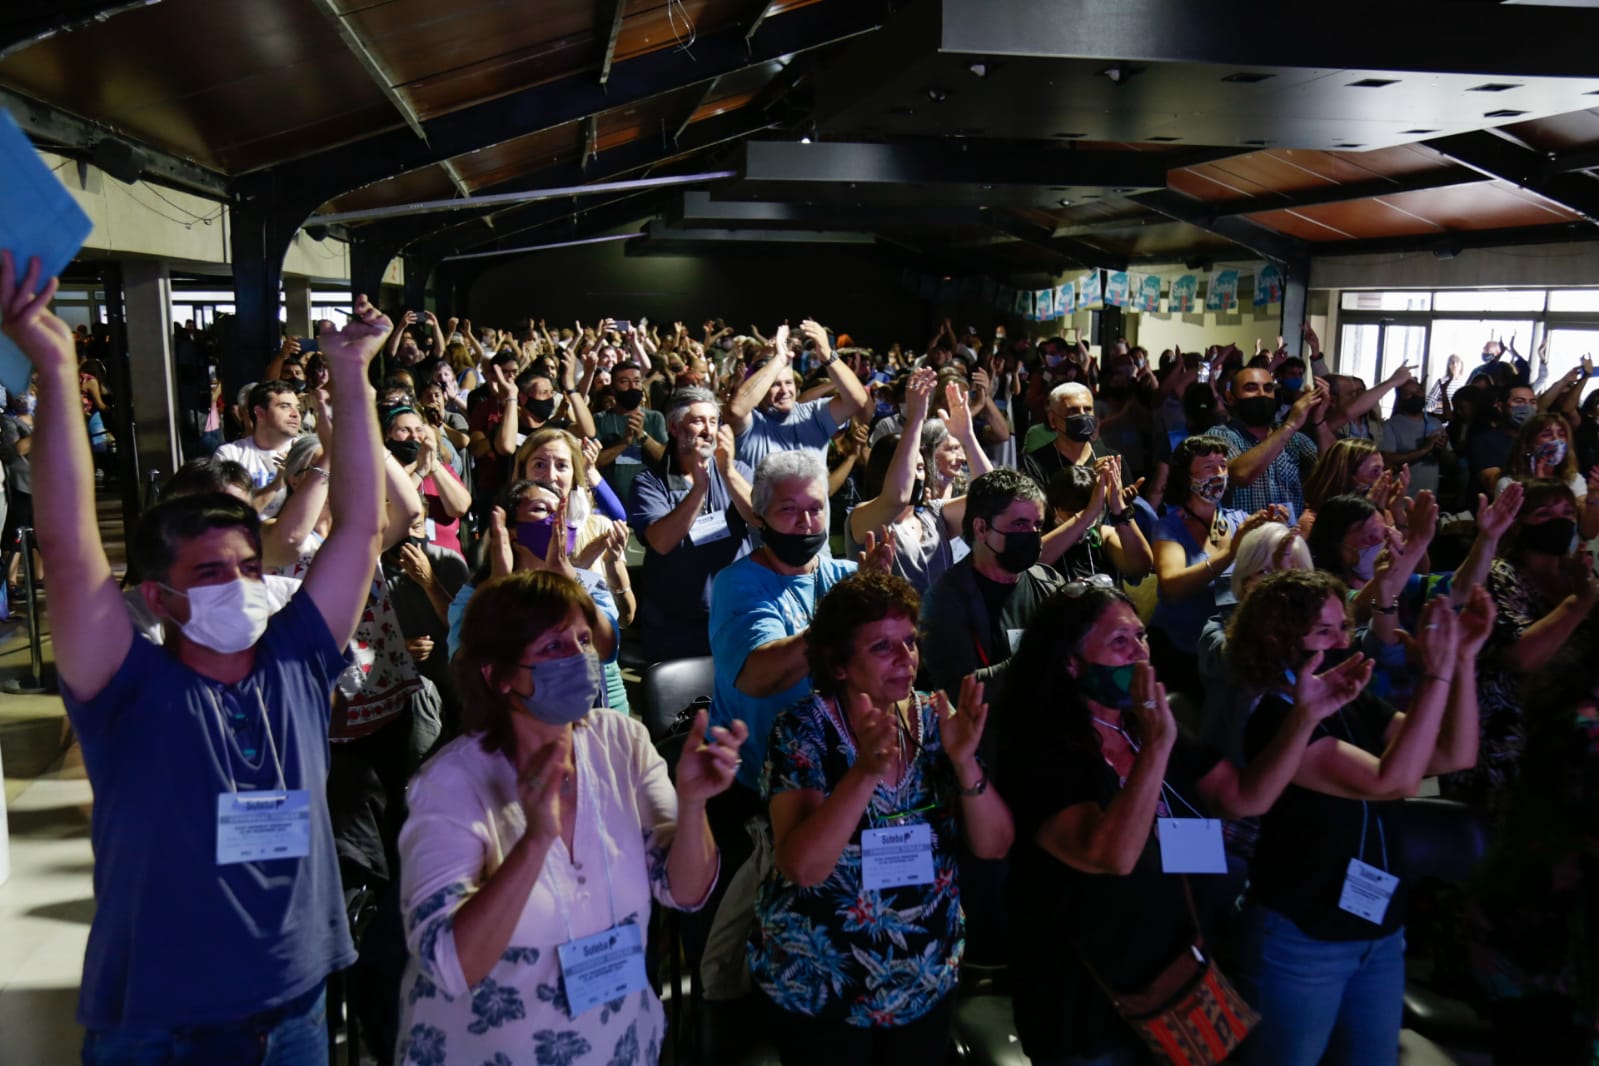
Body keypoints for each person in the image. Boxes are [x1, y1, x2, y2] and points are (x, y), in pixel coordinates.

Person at [2, 249, 390, 1066]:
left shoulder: (294, 660)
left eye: (248, 568)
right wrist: (57, 367)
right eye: (211, 574)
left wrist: (353, 374)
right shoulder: (126, 686)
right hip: (160, 1018)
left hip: (294, 1001)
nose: (241, 587)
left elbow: (358, 527)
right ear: (158, 596)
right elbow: (68, 548)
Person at [999, 582, 1373, 1065]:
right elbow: (1112, 855)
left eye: (1141, 636)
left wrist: (1304, 717)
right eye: (1119, 641)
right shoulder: (1042, 747)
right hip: (1084, 1002)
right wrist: (1156, 747)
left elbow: (1244, 798)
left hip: (1174, 975)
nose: (1140, 652)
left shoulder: (1145, 726)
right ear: (1071, 662)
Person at [393, 569, 745, 1065]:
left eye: (583, 640)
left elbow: (685, 890)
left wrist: (692, 805)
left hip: (620, 1045)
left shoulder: (621, 741)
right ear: (497, 675)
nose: (580, 659)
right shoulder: (450, 784)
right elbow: (450, 964)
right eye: (554, 647)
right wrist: (535, 842)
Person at [1226, 571, 1494, 1066]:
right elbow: (1392, 781)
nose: (1342, 642)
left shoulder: (1353, 700)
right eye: (1324, 631)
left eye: (1343, 627)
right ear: (1279, 639)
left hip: (1379, 932)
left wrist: (1462, 661)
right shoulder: (1273, 718)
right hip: (1305, 938)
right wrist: (1434, 675)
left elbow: (1453, 753)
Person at [750, 571, 1013, 1063]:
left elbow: (995, 844)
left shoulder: (936, 718)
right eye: (882, 647)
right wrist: (865, 773)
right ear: (839, 663)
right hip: (822, 985)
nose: (905, 658)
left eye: (909, 641)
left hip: (924, 980)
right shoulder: (802, 731)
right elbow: (802, 867)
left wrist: (965, 763)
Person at [1442, 478, 1599, 813]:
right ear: (1518, 524)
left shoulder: (1576, 575)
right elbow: (1522, 657)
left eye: (1568, 513)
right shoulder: (1498, 575)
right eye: (1544, 514)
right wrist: (1579, 603)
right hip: (1505, 744)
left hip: (1568, 742)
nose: (1560, 521)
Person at [628, 387, 758, 661]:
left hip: (734, 614)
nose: (708, 430)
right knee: (681, 689)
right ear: (674, 428)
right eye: (698, 421)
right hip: (676, 628)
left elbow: (759, 518)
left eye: (713, 421)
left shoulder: (737, 471)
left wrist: (727, 472)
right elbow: (661, 542)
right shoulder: (650, 483)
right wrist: (699, 488)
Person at [1150, 435, 1281, 700]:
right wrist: (1230, 553)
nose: (1219, 474)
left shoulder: (1239, 520)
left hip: (1230, 646)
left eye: (1223, 466)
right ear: (1186, 477)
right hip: (1182, 653)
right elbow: (1172, 587)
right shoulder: (1169, 527)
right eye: (1209, 467)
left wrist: (1277, 535)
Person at [919, 467, 1064, 706]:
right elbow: (958, 691)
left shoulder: (1049, 584)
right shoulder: (946, 599)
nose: (1032, 534)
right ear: (981, 529)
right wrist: (1034, 657)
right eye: (1019, 524)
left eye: (1037, 525)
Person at [845, 370, 986, 593]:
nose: (917, 476)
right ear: (884, 472)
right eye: (910, 469)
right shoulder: (863, 517)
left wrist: (967, 438)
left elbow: (991, 497)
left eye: (920, 468)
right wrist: (916, 419)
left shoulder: (934, 514)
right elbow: (897, 498)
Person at [727, 320, 869, 469]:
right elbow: (735, 410)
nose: (784, 390)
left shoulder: (813, 414)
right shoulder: (753, 423)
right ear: (762, 389)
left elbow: (858, 400)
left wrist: (828, 355)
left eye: (789, 383)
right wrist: (779, 360)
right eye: (775, 384)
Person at [1213, 365, 1330, 519]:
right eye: (1251, 388)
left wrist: (1319, 420)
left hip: (1289, 532)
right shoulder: (1220, 435)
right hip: (1246, 532)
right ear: (1230, 397)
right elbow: (1240, 475)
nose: (1262, 394)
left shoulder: (1293, 439)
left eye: (1268, 389)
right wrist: (1290, 425)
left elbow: (1334, 466)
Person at [1497, 411, 1599, 539]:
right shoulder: (1509, 483)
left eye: (1561, 434)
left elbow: (1589, 532)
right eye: (1547, 434)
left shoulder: (1574, 479)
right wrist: (1540, 488)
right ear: (1527, 445)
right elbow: (1510, 533)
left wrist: (1594, 495)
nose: (1556, 439)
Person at [384, 406, 471, 555]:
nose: (413, 436)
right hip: (402, 557)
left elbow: (460, 507)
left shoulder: (442, 469)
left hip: (445, 558)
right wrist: (419, 472)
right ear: (388, 436)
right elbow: (389, 510)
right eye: (404, 430)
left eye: (418, 430)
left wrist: (433, 463)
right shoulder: (384, 472)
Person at [215, 379, 302, 517]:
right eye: (285, 406)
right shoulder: (230, 455)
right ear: (260, 412)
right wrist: (275, 485)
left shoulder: (306, 453)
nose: (295, 414)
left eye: (297, 407)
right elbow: (233, 518)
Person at [594, 360, 667, 507]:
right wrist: (624, 443)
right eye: (624, 382)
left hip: (650, 499)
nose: (632, 386)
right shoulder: (600, 419)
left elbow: (665, 459)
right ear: (613, 387)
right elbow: (595, 462)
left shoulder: (655, 418)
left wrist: (642, 436)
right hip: (612, 500)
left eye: (636, 381)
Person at [1021, 381, 1114, 492]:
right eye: (1073, 411)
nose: (1082, 415)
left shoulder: (1112, 460)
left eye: (1087, 409)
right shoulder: (1034, 465)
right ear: (1052, 419)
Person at [1379, 378, 1448, 499]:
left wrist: (1443, 450)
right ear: (1400, 398)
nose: (1415, 396)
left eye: (1418, 391)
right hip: (1400, 499)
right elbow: (1387, 459)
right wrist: (1423, 450)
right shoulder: (1391, 425)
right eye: (1409, 393)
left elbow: (1451, 462)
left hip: (1429, 498)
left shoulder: (1435, 423)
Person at [1303, 438, 1385, 513]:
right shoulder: (1312, 519)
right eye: (1375, 471)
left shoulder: (1384, 511)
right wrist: (1368, 508)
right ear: (1347, 474)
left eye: (1382, 469)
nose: (1382, 477)